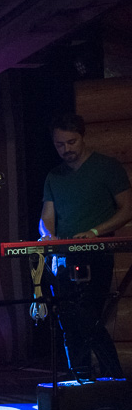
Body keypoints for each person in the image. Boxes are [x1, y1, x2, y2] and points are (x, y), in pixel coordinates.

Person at [38, 113, 130, 380]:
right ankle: (80, 379)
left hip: (96, 254)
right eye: (59, 144)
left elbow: (127, 209)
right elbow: (46, 218)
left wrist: (94, 232)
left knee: (88, 317)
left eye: (71, 142)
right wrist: (48, 236)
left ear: (82, 137)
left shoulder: (107, 167)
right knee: (67, 319)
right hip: (64, 256)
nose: (66, 149)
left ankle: (114, 379)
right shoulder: (54, 176)